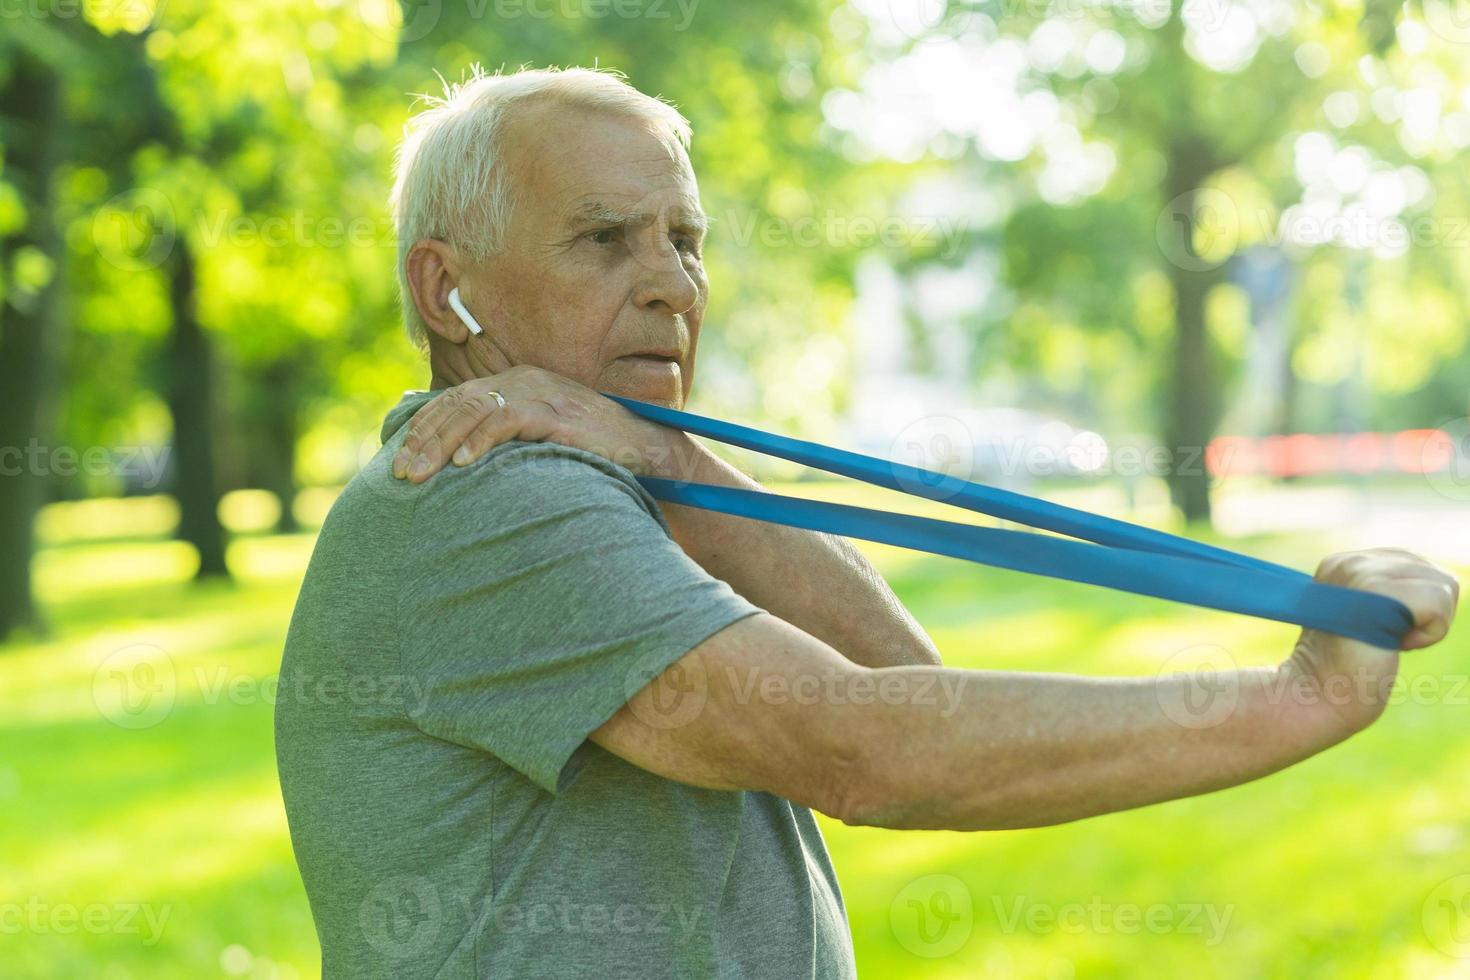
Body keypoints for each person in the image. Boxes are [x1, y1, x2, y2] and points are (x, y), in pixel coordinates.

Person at [275, 65, 1460, 979]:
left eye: (684, 240)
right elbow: (869, 748)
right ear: (448, 288)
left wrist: (665, 449)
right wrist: (1301, 695)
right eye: (603, 238)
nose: (673, 285)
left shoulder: (611, 475)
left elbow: (902, 669)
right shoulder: (489, 498)